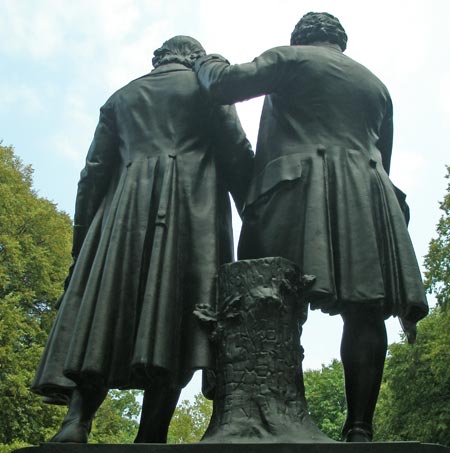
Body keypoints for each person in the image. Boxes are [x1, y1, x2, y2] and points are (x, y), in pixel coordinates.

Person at [195, 12, 428, 442]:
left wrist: (205, 61)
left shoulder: (290, 58)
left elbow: (223, 85)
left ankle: (271, 415)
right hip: (366, 196)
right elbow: (384, 155)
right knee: (366, 310)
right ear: (339, 40)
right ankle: (360, 428)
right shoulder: (376, 85)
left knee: (270, 306)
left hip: (293, 194)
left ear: (301, 36)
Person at [31, 35, 253, 443]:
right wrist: (254, 218)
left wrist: (82, 248)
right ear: (193, 57)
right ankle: (151, 433)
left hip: (121, 218)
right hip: (193, 214)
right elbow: (237, 154)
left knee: (104, 312)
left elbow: (92, 176)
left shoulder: (120, 98)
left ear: (159, 59)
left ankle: (75, 424)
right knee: (181, 316)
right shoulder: (207, 87)